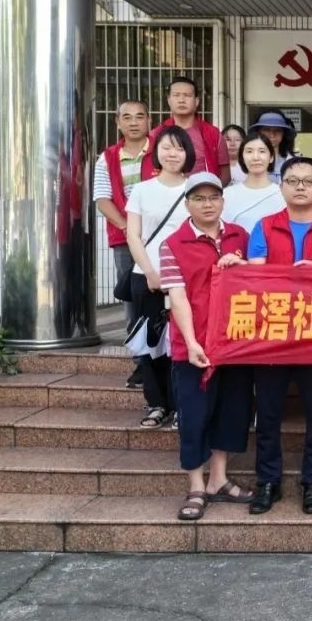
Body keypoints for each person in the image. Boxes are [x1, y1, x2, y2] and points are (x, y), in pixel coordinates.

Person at [247, 157, 312, 516]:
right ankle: (268, 481)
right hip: (272, 335)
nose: (300, 187)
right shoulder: (265, 226)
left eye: (308, 181)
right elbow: (254, 278)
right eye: (293, 181)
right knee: (268, 415)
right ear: (282, 186)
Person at [159, 173, 254, 520]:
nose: (207, 204)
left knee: (232, 412)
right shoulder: (173, 244)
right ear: (187, 204)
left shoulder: (240, 236)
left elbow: (257, 280)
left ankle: (218, 479)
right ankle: (196, 485)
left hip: (235, 343)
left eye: (213, 197)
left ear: (223, 201)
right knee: (194, 416)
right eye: (199, 198)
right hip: (194, 346)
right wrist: (191, 342)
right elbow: (177, 297)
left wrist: (242, 264)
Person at [125, 126, 193, 429]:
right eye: (167, 147)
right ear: (156, 152)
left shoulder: (195, 189)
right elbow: (133, 236)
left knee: (181, 343)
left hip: (185, 281)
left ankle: (181, 406)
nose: (172, 154)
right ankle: (156, 404)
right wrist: (151, 272)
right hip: (146, 276)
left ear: (188, 153)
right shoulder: (142, 190)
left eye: (179, 148)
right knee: (150, 344)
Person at [93, 99, 154, 390]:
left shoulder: (161, 150)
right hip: (124, 240)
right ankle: (141, 361)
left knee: (164, 296)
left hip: (160, 239)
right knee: (133, 300)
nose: (133, 122)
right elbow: (102, 199)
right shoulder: (107, 158)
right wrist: (127, 228)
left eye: (139, 117)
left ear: (149, 120)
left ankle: (162, 358)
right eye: (127, 117)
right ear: (117, 122)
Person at [155, 76, 230, 185]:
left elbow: (225, 175)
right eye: (176, 95)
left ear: (196, 101)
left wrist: (209, 191)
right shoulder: (157, 133)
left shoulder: (213, 134)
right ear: (169, 100)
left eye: (187, 95)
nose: (181, 100)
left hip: (203, 193)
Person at [221, 129, 285, 234]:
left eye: (262, 151)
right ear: (242, 157)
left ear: (271, 157)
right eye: (249, 151)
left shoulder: (283, 194)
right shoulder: (226, 195)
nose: (255, 157)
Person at [250, 111, 298, 181]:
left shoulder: (296, 161)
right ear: (258, 132)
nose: (272, 134)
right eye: (266, 129)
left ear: (283, 133)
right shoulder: (248, 159)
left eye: (277, 130)